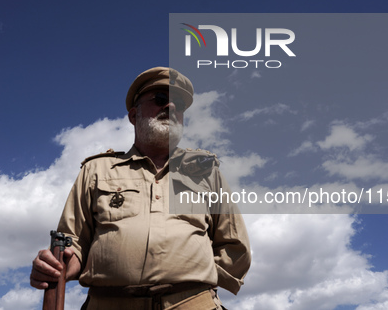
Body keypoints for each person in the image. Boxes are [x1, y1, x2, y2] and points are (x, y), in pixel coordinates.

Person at [30, 67, 251, 310]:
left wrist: (195, 283)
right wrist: (61, 265)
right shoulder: (97, 170)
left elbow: (233, 244)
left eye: (179, 104)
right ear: (134, 115)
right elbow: (74, 241)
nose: (171, 107)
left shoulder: (206, 173)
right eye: (160, 100)